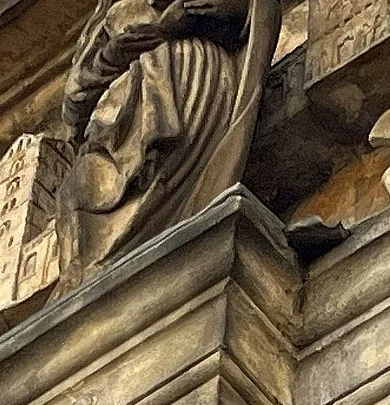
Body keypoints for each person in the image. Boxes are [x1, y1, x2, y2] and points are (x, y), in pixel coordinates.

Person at [55, 0, 281, 292]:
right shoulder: (111, 12)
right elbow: (74, 102)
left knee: (164, 183)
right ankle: (95, 292)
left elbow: (254, 10)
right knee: (76, 193)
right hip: (116, 117)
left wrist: (205, 15)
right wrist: (115, 53)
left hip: (188, 85)